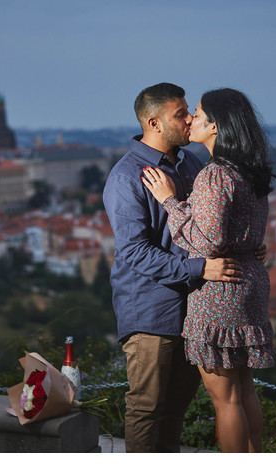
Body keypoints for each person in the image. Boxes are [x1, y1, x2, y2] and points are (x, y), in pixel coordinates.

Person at [102, 82, 245, 452]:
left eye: (188, 112)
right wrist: (201, 268)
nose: (189, 119)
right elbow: (134, 253)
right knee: (147, 408)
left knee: (176, 408)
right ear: (153, 122)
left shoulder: (190, 163)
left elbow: (209, 227)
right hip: (151, 309)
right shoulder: (126, 177)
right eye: (179, 114)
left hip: (193, 307)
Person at [141, 88, 276, 453]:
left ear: (215, 126)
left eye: (197, 114)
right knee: (244, 389)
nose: (190, 120)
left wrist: (169, 201)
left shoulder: (215, 174)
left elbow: (208, 243)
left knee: (226, 399)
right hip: (249, 281)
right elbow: (243, 232)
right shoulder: (249, 171)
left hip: (220, 290)